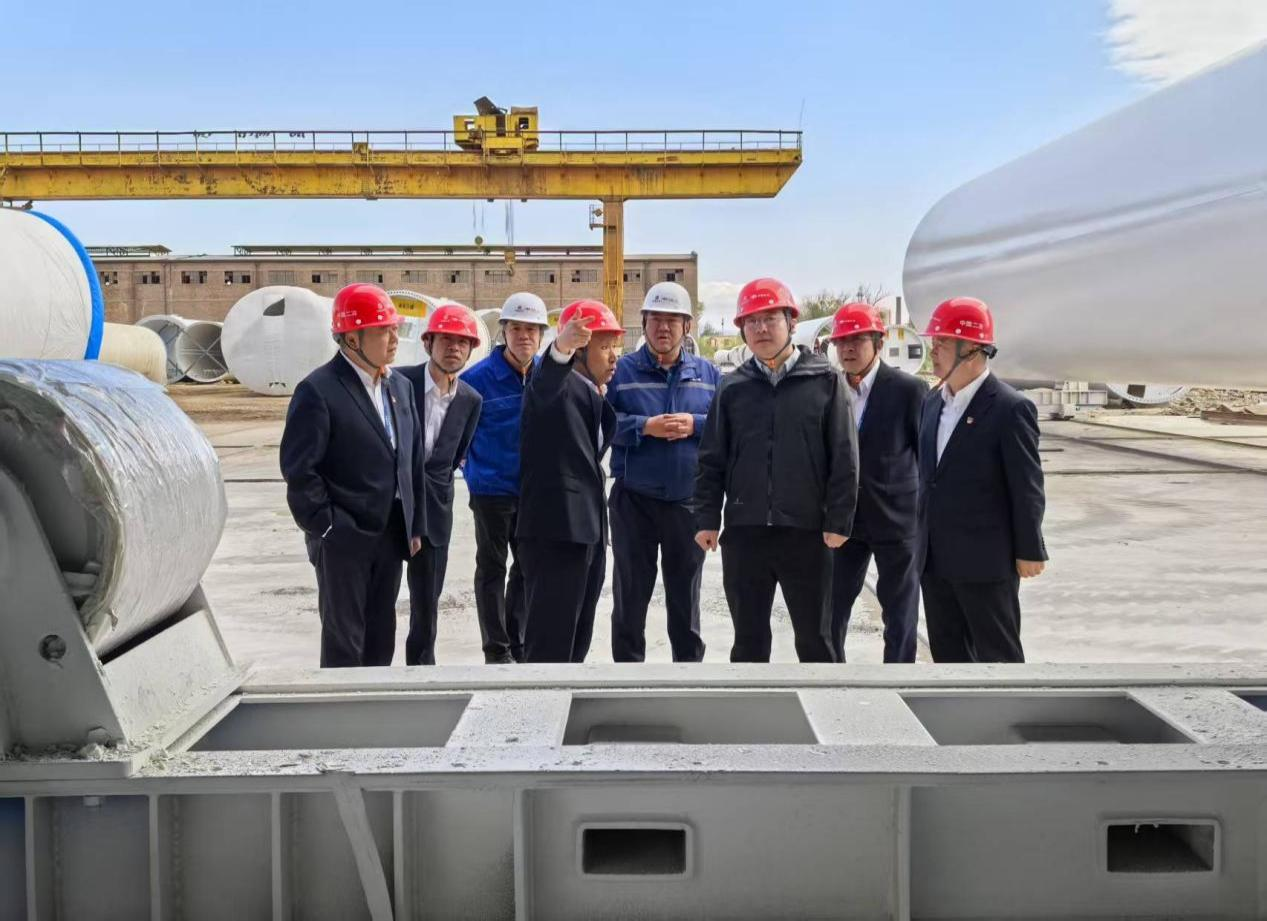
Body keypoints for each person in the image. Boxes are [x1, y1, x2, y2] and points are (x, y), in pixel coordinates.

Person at [694, 277, 859, 663]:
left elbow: (845, 457)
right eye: (751, 321)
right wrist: (706, 518)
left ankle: (823, 700)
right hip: (745, 533)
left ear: (791, 322)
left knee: (816, 640)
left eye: (770, 319)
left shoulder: (825, 381)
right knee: (748, 641)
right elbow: (712, 458)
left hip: (807, 534)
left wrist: (839, 520)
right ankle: (752, 704)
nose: (761, 329)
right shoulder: (733, 388)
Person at [279, 283, 425, 667]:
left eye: (394, 328)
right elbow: (300, 471)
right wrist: (328, 527)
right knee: (344, 642)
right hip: (342, 539)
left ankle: (376, 704)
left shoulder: (399, 386)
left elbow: (409, 460)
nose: (394, 338)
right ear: (351, 338)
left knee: (381, 636)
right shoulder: (319, 391)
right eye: (383, 330)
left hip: (390, 536)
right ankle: (341, 707)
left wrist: (413, 525)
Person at [917, 296, 1047, 663]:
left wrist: (1029, 549)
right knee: (947, 655)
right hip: (935, 560)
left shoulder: (1010, 408)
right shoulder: (932, 403)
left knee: (998, 656)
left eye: (943, 342)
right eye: (934, 341)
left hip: (985, 562)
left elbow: (1026, 487)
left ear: (972, 349)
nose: (933, 350)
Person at [606, 281, 719, 662]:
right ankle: (627, 674)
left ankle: (688, 674)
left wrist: (694, 424)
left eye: (673, 320)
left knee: (685, 600)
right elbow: (601, 424)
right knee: (630, 596)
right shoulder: (621, 372)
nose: (663, 327)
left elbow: (726, 427)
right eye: (656, 319)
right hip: (633, 503)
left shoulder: (708, 375)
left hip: (686, 503)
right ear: (644, 323)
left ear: (687, 326)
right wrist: (644, 427)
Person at [517, 300, 620, 663]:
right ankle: (541, 701)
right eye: (604, 347)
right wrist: (561, 347)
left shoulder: (591, 391)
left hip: (587, 534)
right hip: (556, 535)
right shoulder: (555, 387)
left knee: (576, 642)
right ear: (578, 351)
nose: (614, 357)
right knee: (550, 646)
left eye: (615, 347)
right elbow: (544, 383)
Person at [828, 302, 928, 662]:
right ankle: (831, 676)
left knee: (900, 614)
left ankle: (897, 679)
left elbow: (926, 456)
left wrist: (926, 519)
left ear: (878, 343)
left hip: (896, 522)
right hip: (842, 523)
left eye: (857, 340)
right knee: (830, 609)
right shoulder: (829, 389)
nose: (848, 349)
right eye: (842, 342)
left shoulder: (909, 390)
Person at [460, 292, 549, 663]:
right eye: (517, 329)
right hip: (492, 493)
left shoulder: (548, 375)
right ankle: (496, 650)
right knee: (493, 569)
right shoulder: (476, 381)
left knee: (528, 569)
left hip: (533, 493)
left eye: (532, 329)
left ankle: (518, 641)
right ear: (504, 332)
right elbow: (458, 439)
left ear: (541, 335)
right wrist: (475, 473)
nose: (524, 336)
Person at [396, 304, 483, 665]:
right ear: (428, 342)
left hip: (435, 512)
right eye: (446, 339)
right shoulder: (399, 383)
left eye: (463, 342)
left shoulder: (470, 400)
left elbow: (454, 457)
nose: (454, 348)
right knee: (377, 601)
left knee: (426, 605)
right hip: (391, 509)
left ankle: (421, 671)